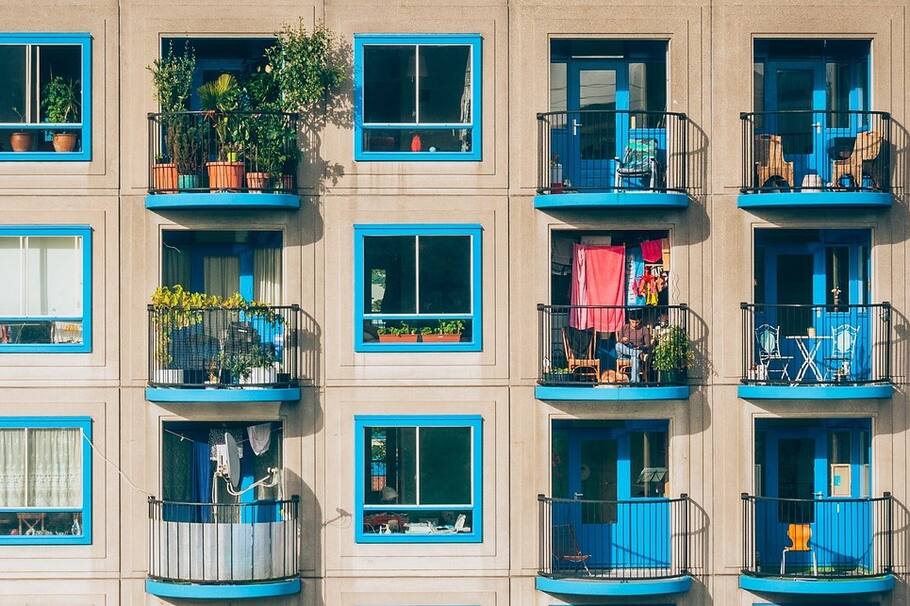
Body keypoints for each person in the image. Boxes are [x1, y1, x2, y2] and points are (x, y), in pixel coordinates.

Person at [615, 316, 652, 382]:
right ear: (629, 320)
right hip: (624, 353)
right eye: (633, 322)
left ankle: (634, 382)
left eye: (637, 322)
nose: (634, 324)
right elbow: (619, 341)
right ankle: (638, 354)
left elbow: (648, 345)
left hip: (637, 349)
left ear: (640, 321)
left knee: (635, 358)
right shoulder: (625, 328)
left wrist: (640, 347)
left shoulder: (644, 329)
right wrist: (622, 340)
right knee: (617, 345)